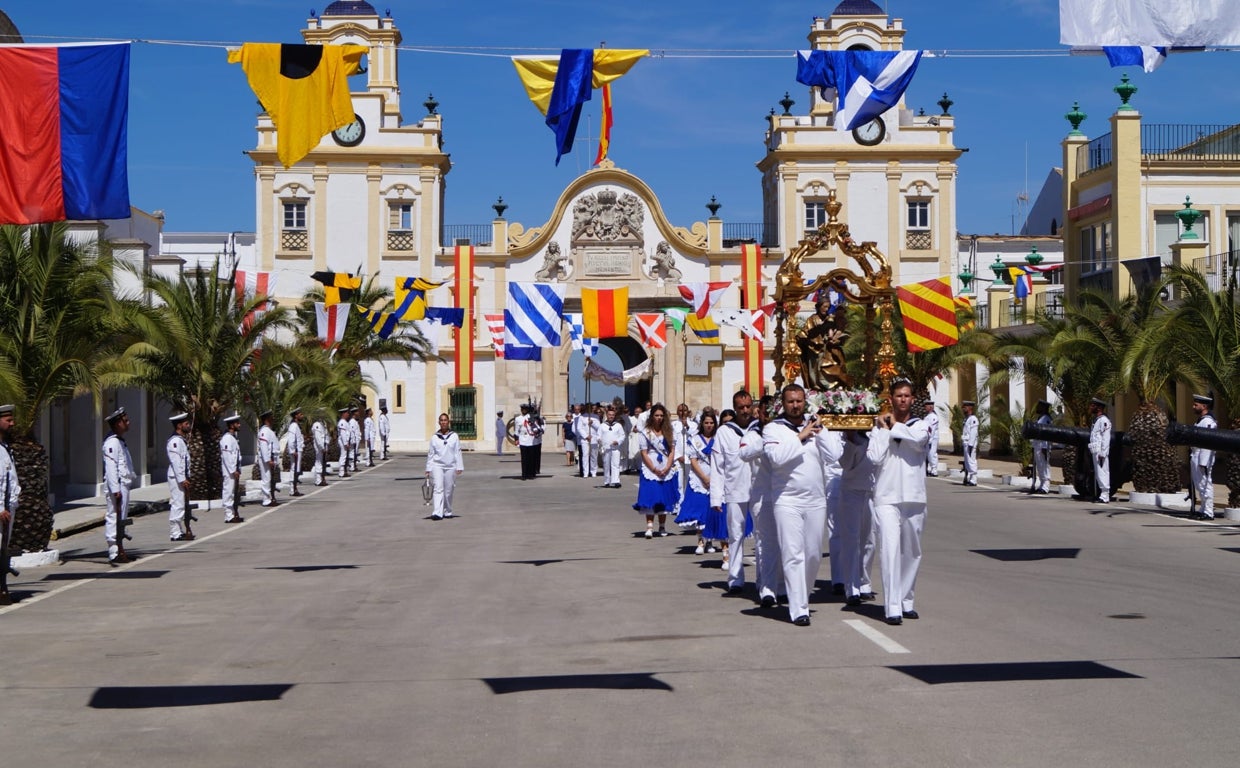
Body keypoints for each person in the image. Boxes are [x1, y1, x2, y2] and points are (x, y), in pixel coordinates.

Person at [763, 384, 842, 627]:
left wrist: (822, 431)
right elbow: (776, 458)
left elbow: (835, 455)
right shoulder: (772, 429)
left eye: (799, 401)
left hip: (816, 500)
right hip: (787, 500)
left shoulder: (816, 426)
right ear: (783, 403)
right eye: (790, 401)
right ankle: (798, 609)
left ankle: (803, 596)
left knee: (813, 554)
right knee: (792, 553)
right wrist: (800, 436)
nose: (795, 405)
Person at [869, 378, 935, 626]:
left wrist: (894, 425)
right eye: (898, 396)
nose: (903, 400)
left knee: (912, 553)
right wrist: (884, 430)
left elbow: (918, 442)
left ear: (912, 399)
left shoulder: (922, 426)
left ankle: (907, 600)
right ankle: (892, 606)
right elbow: (874, 457)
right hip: (886, 497)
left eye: (907, 396)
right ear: (892, 399)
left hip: (914, 497)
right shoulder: (880, 428)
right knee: (890, 552)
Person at [740, 393, 784, 607]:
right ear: (760, 412)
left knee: (786, 542)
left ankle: (783, 585)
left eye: (774, 412)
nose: (770, 416)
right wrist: (766, 440)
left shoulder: (785, 431)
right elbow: (745, 453)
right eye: (766, 412)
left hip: (785, 494)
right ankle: (767, 587)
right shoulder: (753, 434)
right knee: (765, 543)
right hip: (762, 495)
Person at [712, 391, 755, 594]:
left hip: (759, 490)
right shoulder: (724, 432)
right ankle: (736, 578)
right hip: (734, 490)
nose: (745, 411)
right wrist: (716, 496)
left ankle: (765, 581)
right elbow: (717, 467)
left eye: (748, 406)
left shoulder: (760, 429)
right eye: (741, 407)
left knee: (763, 537)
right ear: (735, 408)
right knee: (735, 535)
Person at [838, 429, 878, 605]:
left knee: (870, 540)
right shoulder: (846, 437)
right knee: (852, 540)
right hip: (851, 490)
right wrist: (851, 439)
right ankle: (851, 587)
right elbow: (845, 464)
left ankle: (864, 583)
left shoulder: (877, 433)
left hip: (873, 491)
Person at [633, 403, 679, 539]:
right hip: (650, 465)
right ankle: (649, 526)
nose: (659, 418)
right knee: (651, 495)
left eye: (661, 415)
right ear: (651, 416)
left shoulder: (669, 432)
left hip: (665, 464)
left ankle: (662, 526)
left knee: (663, 496)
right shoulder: (645, 432)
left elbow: (672, 451)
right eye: (656, 415)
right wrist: (653, 468)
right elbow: (644, 452)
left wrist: (667, 467)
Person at [686, 413, 727, 562]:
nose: (709, 425)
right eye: (706, 422)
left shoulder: (719, 439)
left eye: (711, 423)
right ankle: (700, 540)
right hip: (699, 476)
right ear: (702, 424)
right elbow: (693, 460)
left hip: (716, 476)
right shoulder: (694, 440)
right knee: (701, 510)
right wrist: (703, 477)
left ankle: (710, 539)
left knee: (713, 509)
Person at [102, 407, 138, 565]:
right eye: (125, 421)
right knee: (113, 516)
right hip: (117, 486)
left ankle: (120, 548)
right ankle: (114, 551)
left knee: (121, 518)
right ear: (118, 423)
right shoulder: (111, 443)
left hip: (123, 484)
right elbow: (111, 468)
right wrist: (115, 490)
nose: (128, 423)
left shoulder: (119, 441)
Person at [426, 412, 464, 520]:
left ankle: (447, 510)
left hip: (450, 466)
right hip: (437, 466)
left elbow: (457, 451)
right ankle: (437, 512)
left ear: (448, 422)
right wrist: (428, 468)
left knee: (449, 490)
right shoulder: (434, 437)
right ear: (439, 423)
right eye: (441, 420)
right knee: (438, 488)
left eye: (445, 420)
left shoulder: (454, 436)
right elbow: (431, 453)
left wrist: (459, 466)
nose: (443, 422)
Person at [1, 404, 21, 604]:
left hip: (9, 508)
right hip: (2, 510)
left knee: (3, 550)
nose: (12, 423)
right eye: (8, 420)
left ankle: (3, 588)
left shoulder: (5, 448)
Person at [167, 412, 194, 542]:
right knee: (177, 504)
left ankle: (178, 531)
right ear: (179, 426)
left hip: (181, 477)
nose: (189, 426)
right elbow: (176, 462)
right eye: (186, 424)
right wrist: (182, 479)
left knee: (181, 504)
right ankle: (175, 532)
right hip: (176, 477)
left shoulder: (181, 440)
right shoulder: (175, 442)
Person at [1189, 394, 1217, 520]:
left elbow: (1208, 442)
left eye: (1196, 405)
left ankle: (1209, 512)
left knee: (1205, 484)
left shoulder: (1209, 422)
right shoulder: (1201, 420)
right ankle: (1203, 509)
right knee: (1199, 484)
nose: (1193, 407)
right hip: (1196, 455)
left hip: (1202, 457)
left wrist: (1203, 461)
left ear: (1204, 406)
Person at [220, 413, 244, 523]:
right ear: (231, 425)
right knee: (228, 492)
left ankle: (233, 513)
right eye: (237, 423)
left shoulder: (233, 438)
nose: (239, 425)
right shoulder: (227, 439)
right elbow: (227, 456)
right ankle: (228, 515)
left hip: (234, 471)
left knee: (233, 493)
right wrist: (233, 470)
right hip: (229, 472)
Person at [1087, 397, 1112, 504]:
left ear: (1099, 408)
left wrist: (1103, 452)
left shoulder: (1104, 421)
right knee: (1098, 473)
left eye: (1093, 405)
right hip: (1095, 450)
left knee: (1103, 472)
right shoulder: (1096, 420)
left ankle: (1105, 495)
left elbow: (1106, 438)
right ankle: (1101, 494)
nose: (1091, 407)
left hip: (1100, 452)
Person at [598, 406, 626, 488]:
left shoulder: (618, 425)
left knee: (616, 464)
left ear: (614, 416)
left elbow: (622, 436)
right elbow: (598, 435)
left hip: (615, 448)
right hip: (606, 448)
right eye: (609, 415)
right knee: (606, 465)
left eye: (612, 415)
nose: (611, 416)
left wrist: (618, 441)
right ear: (607, 415)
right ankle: (607, 481)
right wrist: (599, 440)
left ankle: (616, 481)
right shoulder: (602, 425)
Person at [257, 410, 280, 507]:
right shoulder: (264, 431)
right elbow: (263, 446)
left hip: (271, 459)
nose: (273, 418)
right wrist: (268, 460)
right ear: (266, 419)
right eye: (271, 416)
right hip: (266, 459)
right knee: (266, 479)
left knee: (269, 479)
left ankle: (270, 498)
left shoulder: (269, 430)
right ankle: (266, 500)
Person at [1030, 400, 1052, 494]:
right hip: (1037, 445)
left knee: (1044, 465)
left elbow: (1046, 434)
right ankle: (1042, 484)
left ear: (1043, 408)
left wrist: (1045, 447)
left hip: (1043, 446)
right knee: (1040, 466)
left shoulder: (1046, 418)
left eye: (1039, 406)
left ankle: (1046, 486)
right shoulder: (1040, 418)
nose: (1037, 408)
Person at [286, 407, 305, 496]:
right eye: (300, 414)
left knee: (296, 470)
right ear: (296, 416)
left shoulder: (296, 425)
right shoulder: (293, 426)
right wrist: (293, 450)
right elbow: (291, 440)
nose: (302, 416)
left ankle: (294, 488)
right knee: (294, 469)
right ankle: (292, 489)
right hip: (296, 451)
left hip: (298, 451)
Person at [961, 400, 979, 486]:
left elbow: (973, 433)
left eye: (965, 407)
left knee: (971, 461)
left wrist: (971, 444)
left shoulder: (973, 419)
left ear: (970, 408)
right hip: (966, 443)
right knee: (968, 461)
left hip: (970, 444)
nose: (963, 408)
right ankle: (970, 478)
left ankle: (973, 479)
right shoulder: (967, 419)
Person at [312, 414, 330, 487]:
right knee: (319, 462)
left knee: (322, 463)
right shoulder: (317, 425)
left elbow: (326, 435)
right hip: (319, 447)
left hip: (323, 446)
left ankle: (322, 479)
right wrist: (322, 447)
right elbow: (318, 437)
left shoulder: (323, 424)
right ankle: (318, 480)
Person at [924, 401, 941, 477]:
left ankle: (934, 470)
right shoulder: (927, 417)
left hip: (933, 438)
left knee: (932, 454)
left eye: (926, 406)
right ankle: (930, 469)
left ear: (930, 407)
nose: (925, 407)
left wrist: (930, 439)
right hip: (928, 438)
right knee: (928, 454)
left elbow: (933, 429)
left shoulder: (933, 417)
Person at [336, 407, 352, 478]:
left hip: (345, 441)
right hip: (343, 442)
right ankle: (341, 472)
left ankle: (344, 471)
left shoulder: (345, 422)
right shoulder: (342, 422)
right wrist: (345, 443)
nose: (348, 414)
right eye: (346, 413)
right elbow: (343, 434)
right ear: (343, 414)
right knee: (343, 456)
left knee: (344, 456)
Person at [348, 406, 362, 472]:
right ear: (354, 413)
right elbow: (351, 432)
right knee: (352, 453)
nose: (358, 413)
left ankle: (354, 466)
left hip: (356, 440)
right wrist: (353, 441)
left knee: (355, 453)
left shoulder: (355, 421)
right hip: (354, 440)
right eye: (357, 412)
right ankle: (352, 467)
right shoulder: (352, 422)